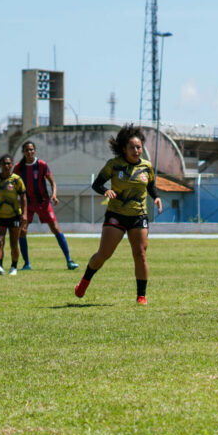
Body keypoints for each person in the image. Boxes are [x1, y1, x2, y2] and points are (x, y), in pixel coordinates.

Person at [74, 125, 162, 305]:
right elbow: (97, 184)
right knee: (104, 254)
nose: (136, 151)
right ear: (124, 149)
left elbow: (151, 186)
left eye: (138, 147)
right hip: (116, 214)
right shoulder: (114, 165)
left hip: (138, 216)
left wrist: (157, 197)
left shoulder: (146, 167)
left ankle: (141, 296)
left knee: (140, 254)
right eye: (132, 147)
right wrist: (105, 191)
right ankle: (84, 282)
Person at [13, 140, 79, 270]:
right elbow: (14, 184)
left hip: (43, 202)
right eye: (27, 150)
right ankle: (26, 263)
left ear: (34, 150)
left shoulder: (41, 165)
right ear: (23, 152)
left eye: (31, 149)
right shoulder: (18, 167)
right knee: (22, 231)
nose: (29, 152)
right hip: (27, 204)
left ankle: (69, 260)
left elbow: (52, 182)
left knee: (55, 228)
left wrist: (54, 195)